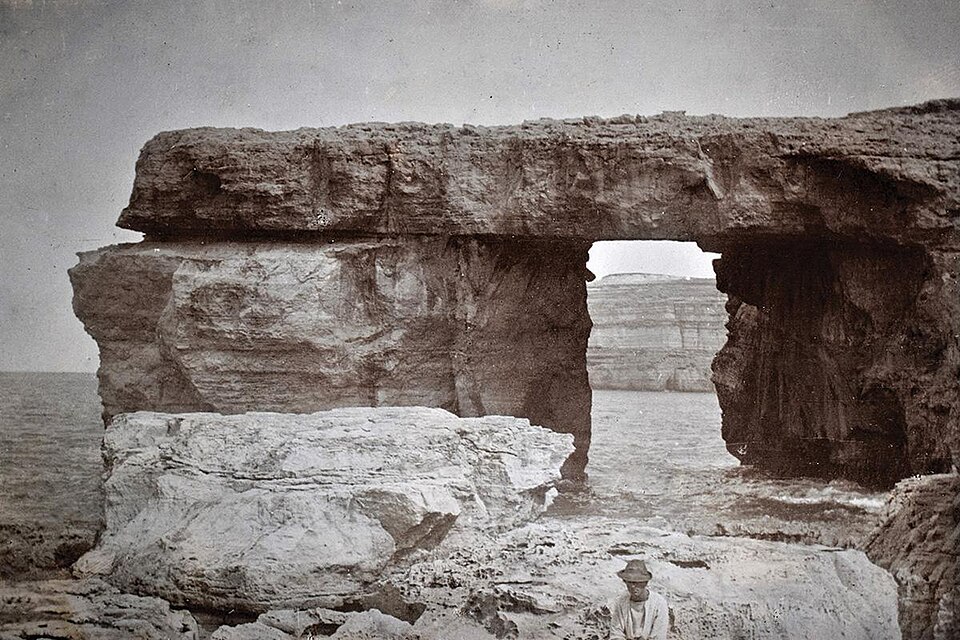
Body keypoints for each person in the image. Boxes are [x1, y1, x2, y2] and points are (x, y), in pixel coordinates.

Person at [608, 559, 669, 639]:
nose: (633, 586)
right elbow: (616, 633)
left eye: (637, 582)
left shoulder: (659, 603)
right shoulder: (620, 602)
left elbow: (659, 635)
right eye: (630, 582)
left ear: (645, 582)